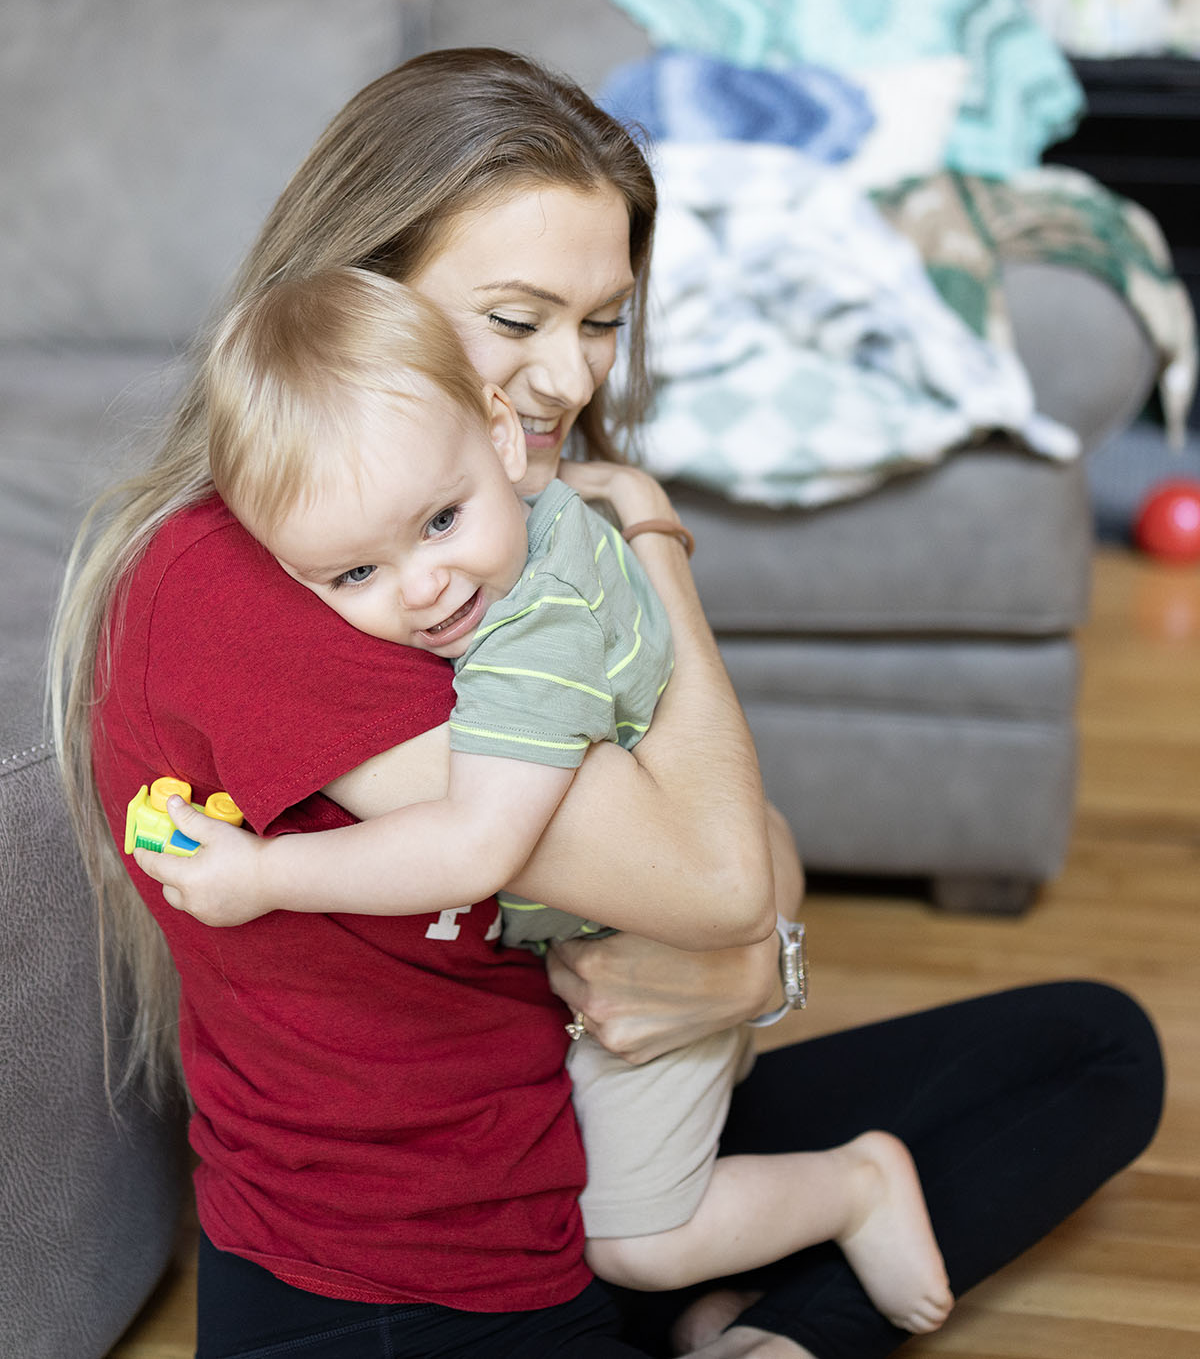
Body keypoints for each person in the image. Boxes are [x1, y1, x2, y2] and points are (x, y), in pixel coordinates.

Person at [51, 47, 1164, 1359]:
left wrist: (752, 962)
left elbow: (751, 862)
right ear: (363, 296)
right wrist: (650, 537)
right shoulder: (259, 581)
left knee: (1094, 1047)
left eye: (601, 321)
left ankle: (760, 1322)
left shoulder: (488, 534)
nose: (575, 381)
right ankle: (764, 1320)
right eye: (517, 319)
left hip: (569, 1138)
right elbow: (717, 878)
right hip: (415, 1289)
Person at [133, 265, 953, 1336]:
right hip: (623, 953)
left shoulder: (533, 634)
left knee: (637, 1235)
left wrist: (260, 872)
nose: (422, 587)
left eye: (437, 521)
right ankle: (729, 1310)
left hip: (646, 963)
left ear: (497, 429)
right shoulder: (531, 521)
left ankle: (855, 1185)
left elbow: (476, 844)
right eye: (352, 576)